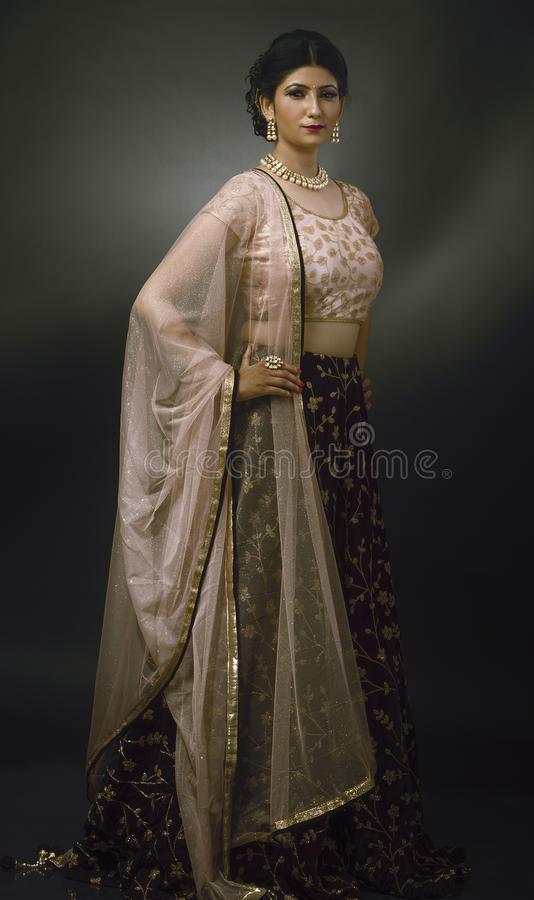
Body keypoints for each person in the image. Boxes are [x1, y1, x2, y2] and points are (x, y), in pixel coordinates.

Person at [9, 28, 472, 900]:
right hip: (273, 421)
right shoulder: (246, 197)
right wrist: (229, 379)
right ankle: (252, 826)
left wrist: (356, 396)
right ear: (266, 106)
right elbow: (157, 303)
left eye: (327, 92)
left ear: (341, 107)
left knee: (347, 608)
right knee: (263, 613)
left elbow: (357, 315)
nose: (314, 107)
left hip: (339, 423)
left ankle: (344, 825)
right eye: (296, 92)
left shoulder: (358, 203)